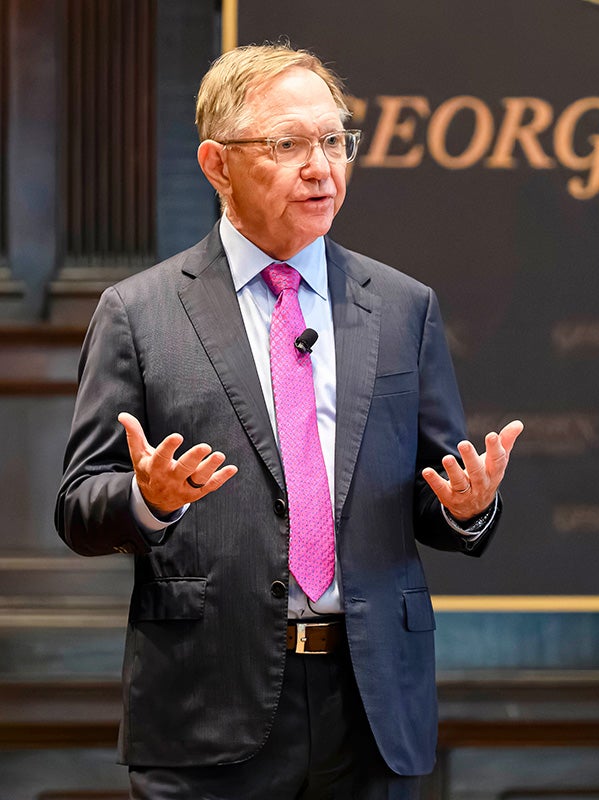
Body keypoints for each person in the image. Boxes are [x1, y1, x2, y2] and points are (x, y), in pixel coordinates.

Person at [55, 43, 522, 798]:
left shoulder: (403, 308)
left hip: (370, 707)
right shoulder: (138, 314)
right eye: (288, 145)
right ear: (217, 164)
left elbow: (431, 498)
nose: (321, 168)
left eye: (334, 141)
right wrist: (149, 500)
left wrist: (467, 507)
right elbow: (79, 507)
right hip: (208, 706)